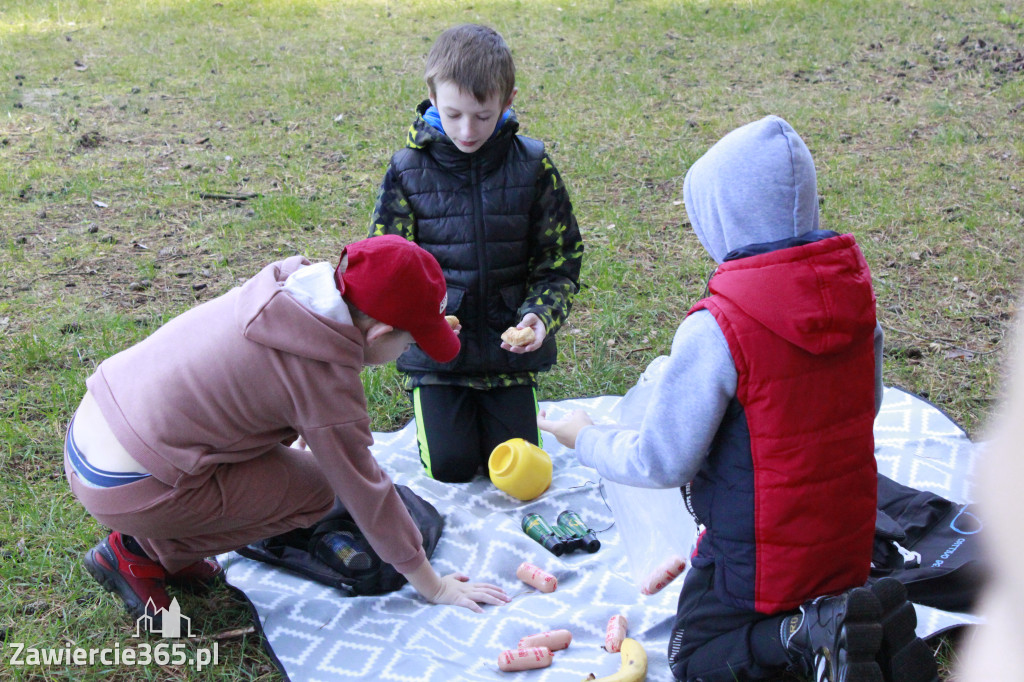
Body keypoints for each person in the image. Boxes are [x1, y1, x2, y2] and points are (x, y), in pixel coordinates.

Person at [539, 116, 937, 682]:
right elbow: (864, 409)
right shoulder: (854, 296)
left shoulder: (717, 329)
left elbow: (661, 460)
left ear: (721, 219)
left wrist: (585, 436)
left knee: (693, 657)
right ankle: (859, 630)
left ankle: (802, 634)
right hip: (847, 544)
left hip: (763, 562)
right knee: (821, 609)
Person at [66, 234, 510, 626]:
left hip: (94, 428)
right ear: (379, 333)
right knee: (317, 491)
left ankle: (164, 542)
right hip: (129, 484)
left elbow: (255, 391)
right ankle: (138, 553)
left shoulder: (287, 289)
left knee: (295, 467)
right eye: (411, 342)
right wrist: (433, 585)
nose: (410, 350)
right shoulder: (323, 376)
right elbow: (363, 488)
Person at [369, 23, 583, 483]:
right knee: (453, 467)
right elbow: (383, 268)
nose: (468, 130)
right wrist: (421, 322)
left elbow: (560, 261)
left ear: (508, 101)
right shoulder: (408, 170)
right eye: (454, 114)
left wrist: (539, 318)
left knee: (519, 467)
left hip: (509, 360)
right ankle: (440, 412)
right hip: (438, 361)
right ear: (432, 98)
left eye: (483, 116)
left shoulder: (533, 165)